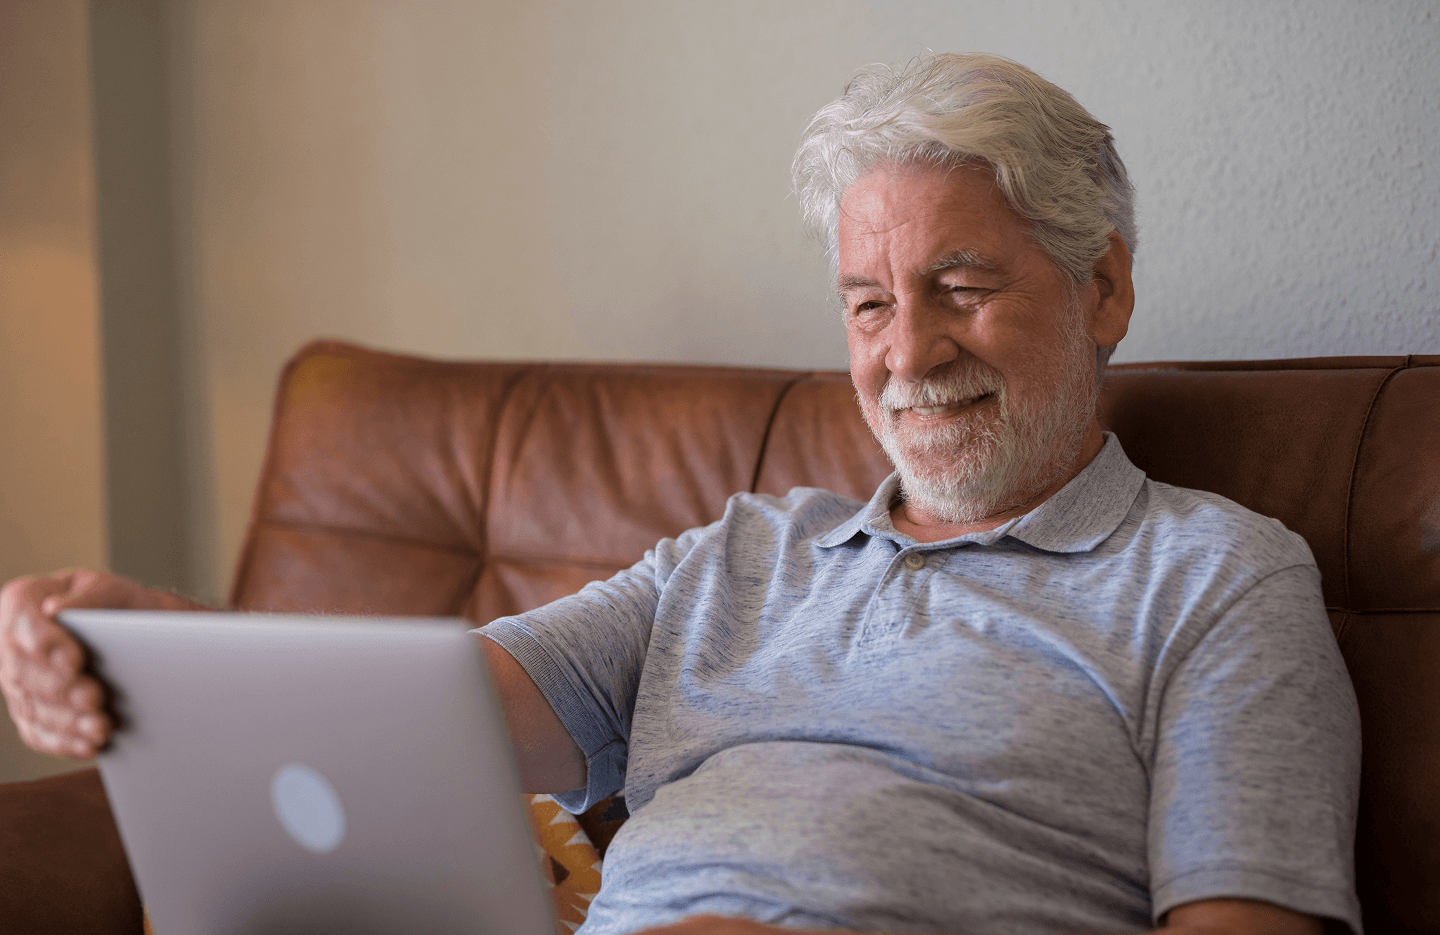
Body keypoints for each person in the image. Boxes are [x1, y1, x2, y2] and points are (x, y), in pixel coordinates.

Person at [0, 54, 1360, 935]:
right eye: (870, 302)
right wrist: (155, 648)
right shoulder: (737, 557)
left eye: (963, 286)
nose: (908, 351)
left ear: (1103, 287)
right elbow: (417, 722)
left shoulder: (1217, 576)